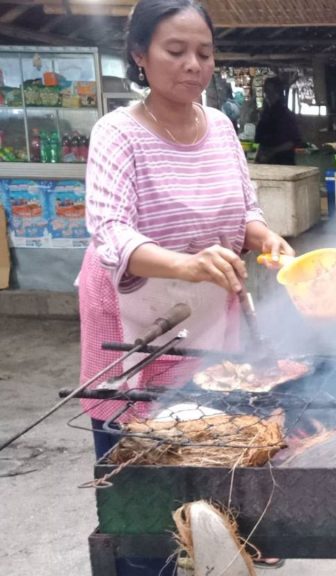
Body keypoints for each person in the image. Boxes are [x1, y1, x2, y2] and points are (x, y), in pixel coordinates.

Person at [78, 1, 293, 570]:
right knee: (142, 461)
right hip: (133, 311)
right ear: (140, 55)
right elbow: (112, 232)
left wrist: (264, 235)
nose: (194, 64)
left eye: (204, 52)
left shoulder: (219, 125)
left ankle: (214, 547)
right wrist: (188, 263)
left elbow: (245, 207)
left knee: (212, 435)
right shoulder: (117, 133)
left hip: (205, 307)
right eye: (176, 51)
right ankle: (148, 561)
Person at [255, 76, 303, 165]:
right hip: (266, 161)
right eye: (266, 92)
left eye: (270, 91)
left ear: (278, 93)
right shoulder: (266, 113)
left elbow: (293, 141)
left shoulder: (285, 114)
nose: (268, 95)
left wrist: (272, 151)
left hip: (282, 161)